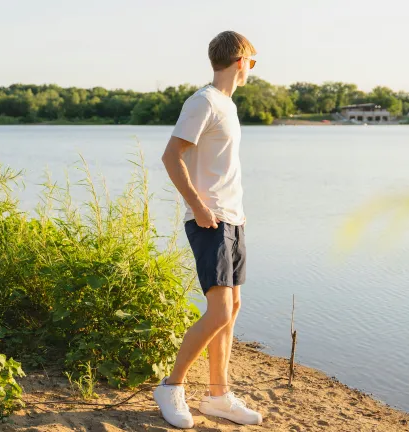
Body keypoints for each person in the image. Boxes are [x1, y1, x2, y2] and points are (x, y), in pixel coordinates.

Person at [154, 30, 262, 429]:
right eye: (252, 62)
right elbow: (171, 156)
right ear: (240, 61)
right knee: (218, 311)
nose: (251, 69)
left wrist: (237, 212)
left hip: (232, 218)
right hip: (209, 219)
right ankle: (171, 386)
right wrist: (198, 206)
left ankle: (218, 396)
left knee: (231, 309)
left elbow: (220, 169)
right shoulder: (202, 101)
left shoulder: (227, 106)